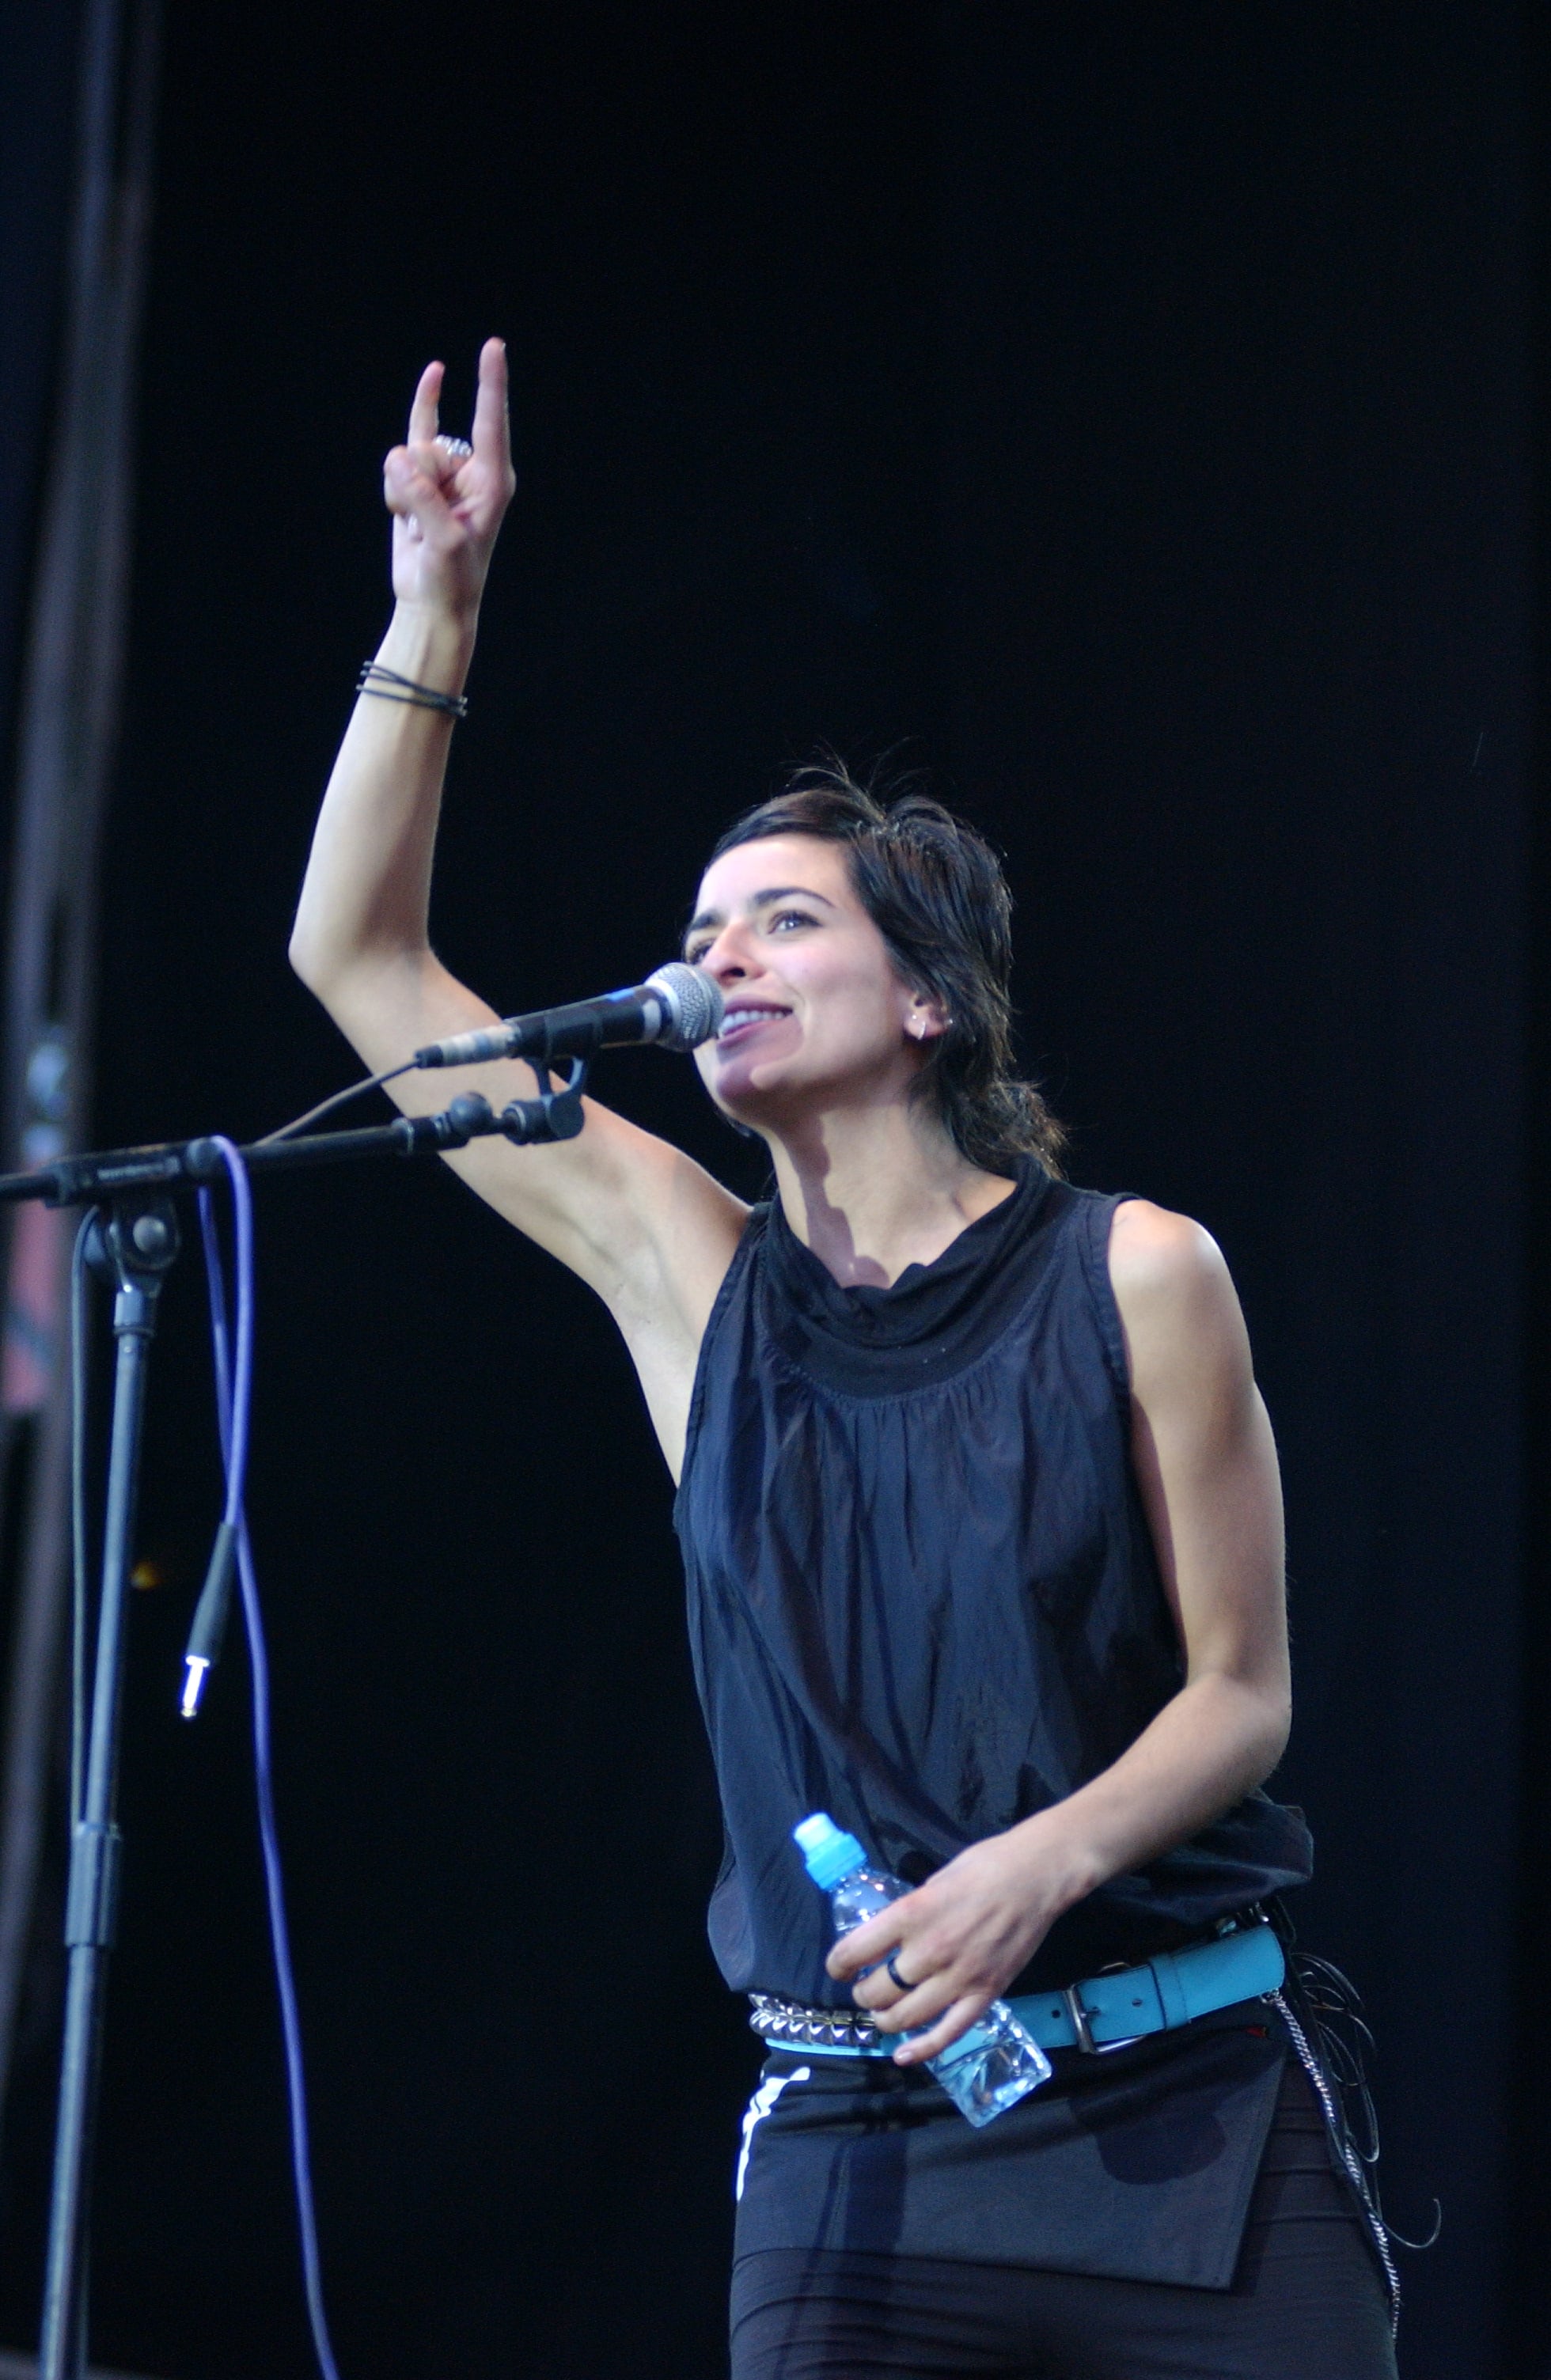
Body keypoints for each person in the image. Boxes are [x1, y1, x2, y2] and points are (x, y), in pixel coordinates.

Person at [290, 340, 1401, 2378]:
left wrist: (1032, 1868)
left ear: (923, 1000)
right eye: (701, 925)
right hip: (863, 2154)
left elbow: (1243, 1698)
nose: (715, 955)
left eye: (779, 920)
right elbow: (361, 966)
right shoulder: (691, 1279)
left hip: (1191, 2120)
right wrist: (430, 609)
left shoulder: (1136, 1272)